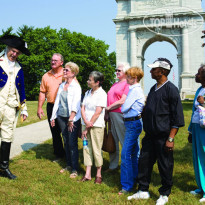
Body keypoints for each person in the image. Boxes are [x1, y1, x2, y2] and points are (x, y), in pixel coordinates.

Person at [127, 58, 184, 205]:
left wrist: (170, 139)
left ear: (163, 71)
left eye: (154, 69)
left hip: (163, 136)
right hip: (149, 136)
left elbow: (177, 118)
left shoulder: (171, 89)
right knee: (144, 162)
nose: (151, 71)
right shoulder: (153, 88)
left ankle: (164, 193)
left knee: (165, 165)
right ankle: (143, 190)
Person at [0, 35, 30, 179]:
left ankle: (3, 168)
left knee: (7, 136)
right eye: (13, 51)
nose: (14, 54)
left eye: (18, 53)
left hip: (11, 106)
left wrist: (24, 108)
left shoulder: (19, 68)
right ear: (7, 49)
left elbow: (22, 89)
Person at [50, 62, 81, 178]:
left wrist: (71, 119)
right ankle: (68, 164)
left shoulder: (76, 87)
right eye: (64, 70)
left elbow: (76, 104)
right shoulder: (62, 85)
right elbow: (57, 101)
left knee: (72, 143)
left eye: (66, 70)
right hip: (61, 117)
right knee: (66, 141)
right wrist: (53, 117)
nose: (64, 72)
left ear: (73, 73)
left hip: (71, 119)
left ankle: (74, 169)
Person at [118, 67, 145, 195]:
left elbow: (124, 107)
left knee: (126, 154)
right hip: (133, 122)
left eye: (128, 77)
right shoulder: (133, 89)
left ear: (134, 78)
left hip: (132, 123)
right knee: (134, 153)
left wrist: (125, 108)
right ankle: (135, 179)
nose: (126, 78)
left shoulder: (134, 90)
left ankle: (127, 185)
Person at [80, 71, 107, 184]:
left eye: (90, 80)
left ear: (97, 82)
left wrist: (88, 125)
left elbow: (98, 112)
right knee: (86, 148)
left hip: (96, 126)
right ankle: (88, 174)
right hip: (85, 124)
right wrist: (85, 122)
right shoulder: (87, 93)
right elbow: (82, 108)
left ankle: (98, 174)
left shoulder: (102, 94)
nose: (88, 81)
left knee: (96, 149)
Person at [37, 53, 65, 161]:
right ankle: (59, 154)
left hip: (64, 107)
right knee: (55, 131)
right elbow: (42, 92)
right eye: (52, 60)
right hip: (51, 106)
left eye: (55, 60)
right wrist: (39, 107)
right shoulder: (46, 76)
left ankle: (70, 154)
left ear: (61, 62)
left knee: (67, 131)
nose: (52, 62)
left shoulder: (66, 73)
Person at [105, 62, 130, 172]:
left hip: (119, 114)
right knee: (113, 140)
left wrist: (108, 108)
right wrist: (107, 113)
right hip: (111, 115)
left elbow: (122, 101)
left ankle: (127, 166)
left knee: (123, 140)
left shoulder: (127, 84)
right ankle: (113, 166)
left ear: (125, 72)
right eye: (116, 70)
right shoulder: (114, 84)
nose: (117, 72)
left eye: (119, 70)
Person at [188, 65, 205, 203]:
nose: (196, 75)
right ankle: (201, 186)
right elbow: (194, 111)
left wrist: (204, 103)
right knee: (198, 157)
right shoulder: (199, 89)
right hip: (196, 127)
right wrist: (190, 130)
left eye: (198, 73)